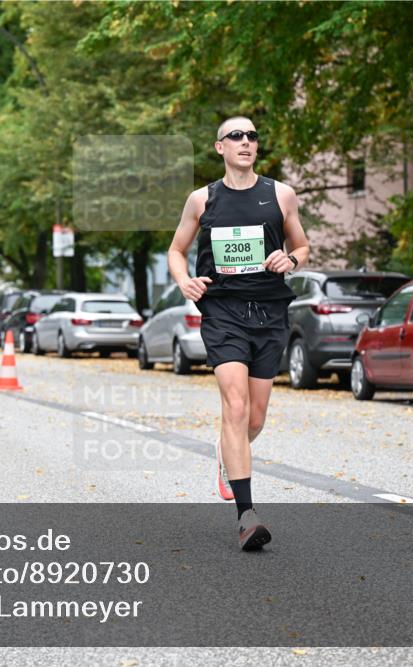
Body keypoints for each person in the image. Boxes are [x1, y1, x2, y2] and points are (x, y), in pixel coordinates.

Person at [168, 116, 310, 551]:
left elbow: (302, 245)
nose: (246, 142)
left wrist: (292, 260)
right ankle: (247, 516)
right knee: (234, 403)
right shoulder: (201, 199)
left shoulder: (280, 194)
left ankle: (226, 453)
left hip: (268, 312)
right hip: (223, 311)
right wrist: (184, 281)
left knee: (254, 419)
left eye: (252, 136)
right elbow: (177, 250)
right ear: (220, 148)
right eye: (237, 136)